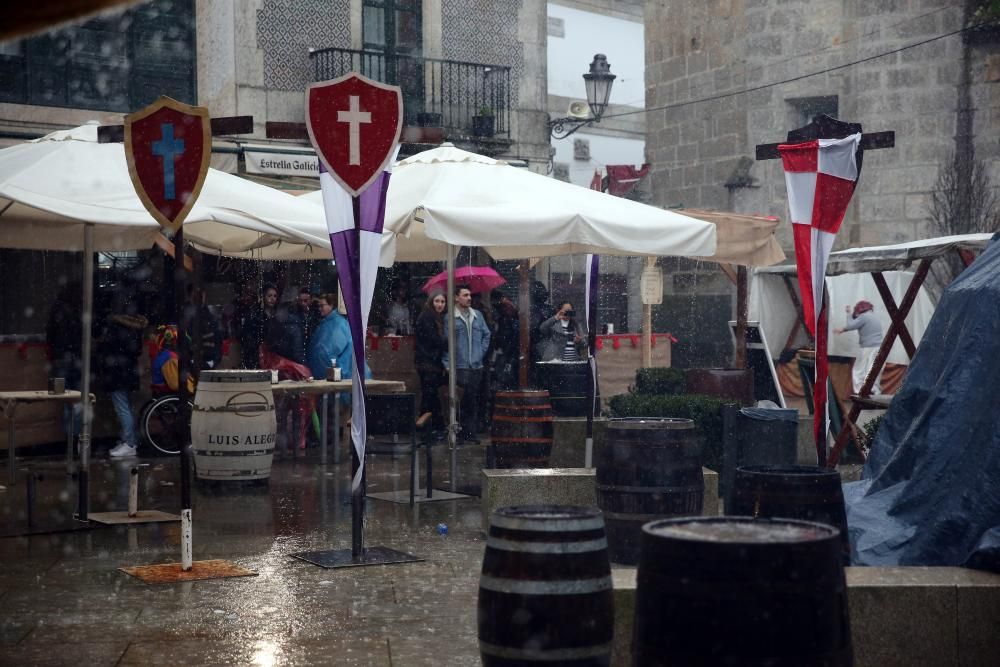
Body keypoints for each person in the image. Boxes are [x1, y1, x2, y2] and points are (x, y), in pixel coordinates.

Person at [97, 301, 148, 458]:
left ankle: (129, 442)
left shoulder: (116, 327)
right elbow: (137, 350)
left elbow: (106, 348)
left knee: (122, 407)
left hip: (117, 373)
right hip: (128, 372)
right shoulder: (136, 328)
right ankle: (129, 440)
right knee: (126, 407)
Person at [443, 285, 491, 443]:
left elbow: (487, 334)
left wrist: (480, 352)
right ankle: (460, 434)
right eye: (465, 295)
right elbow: (446, 342)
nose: (469, 298)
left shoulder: (477, 315)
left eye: (469, 295)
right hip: (460, 365)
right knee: (459, 401)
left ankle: (471, 433)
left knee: (472, 400)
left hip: (476, 366)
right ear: (456, 298)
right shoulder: (450, 317)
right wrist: (447, 363)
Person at [307, 293, 371, 396]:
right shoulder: (329, 323)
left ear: (331, 305)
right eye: (319, 306)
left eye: (322, 305)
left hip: (343, 373)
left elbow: (330, 350)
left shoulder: (337, 323)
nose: (320, 309)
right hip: (338, 374)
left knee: (342, 405)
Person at [46, 281, 83, 442]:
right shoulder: (79, 311)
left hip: (61, 357)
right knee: (77, 397)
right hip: (76, 357)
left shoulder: (58, 309)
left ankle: (69, 438)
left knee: (64, 396)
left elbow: (51, 334)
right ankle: (77, 436)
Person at [414, 290, 448, 438]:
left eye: (442, 302)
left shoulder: (434, 316)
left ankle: (432, 427)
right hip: (428, 363)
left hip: (429, 363)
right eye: (437, 301)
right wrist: (448, 342)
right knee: (430, 395)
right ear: (431, 302)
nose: (440, 305)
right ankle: (429, 428)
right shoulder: (428, 317)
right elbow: (433, 339)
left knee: (431, 394)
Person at [834, 299, 884, 394]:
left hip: (867, 347)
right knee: (873, 370)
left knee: (858, 370)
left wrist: (848, 314)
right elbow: (856, 324)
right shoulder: (873, 316)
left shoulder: (864, 317)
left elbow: (851, 325)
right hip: (878, 347)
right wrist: (843, 329)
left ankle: (859, 392)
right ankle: (874, 392)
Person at [239, 283, 279, 368]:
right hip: (256, 357)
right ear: (263, 296)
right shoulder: (255, 315)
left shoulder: (275, 315)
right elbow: (249, 338)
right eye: (269, 296)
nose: (272, 299)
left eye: (275, 296)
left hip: (271, 357)